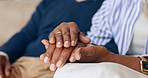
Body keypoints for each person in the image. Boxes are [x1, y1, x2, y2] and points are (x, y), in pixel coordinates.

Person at [40, 0, 148, 77]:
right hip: (124, 66)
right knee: (70, 70)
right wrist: (76, 45)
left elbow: (108, 57)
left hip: (133, 68)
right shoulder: (115, 3)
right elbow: (96, 42)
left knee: (102, 72)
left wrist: (111, 58)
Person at [0, 0, 106, 78]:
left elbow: (110, 48)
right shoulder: (49, 2)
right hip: (22, 64)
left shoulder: (109, 6)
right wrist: (3, 54)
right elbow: (25, 35)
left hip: (61, 68)